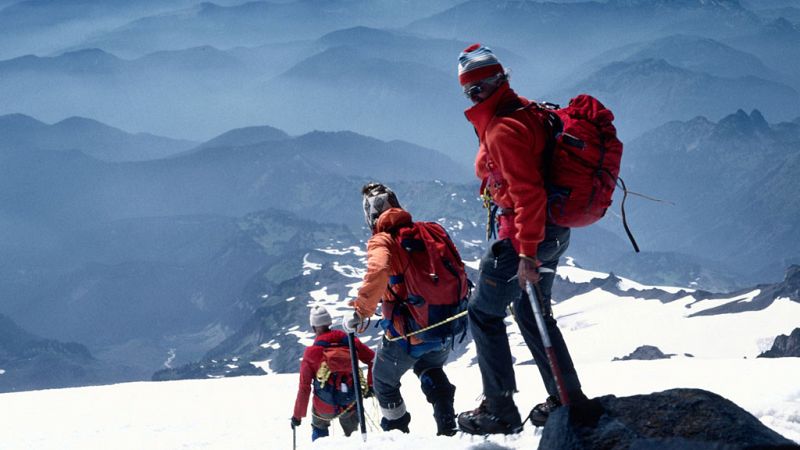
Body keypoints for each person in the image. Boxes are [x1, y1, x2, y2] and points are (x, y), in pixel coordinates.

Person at [454, 44, 588, 435]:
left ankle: (499, 409)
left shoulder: (502, 129)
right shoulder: (526, 109)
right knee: (532, 314)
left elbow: (528, 194)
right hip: (553, 230)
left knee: (483, 312)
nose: (474, 96)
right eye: (469, 91)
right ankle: (566, 397)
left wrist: (525, 254)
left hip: (524, 237)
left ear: (498, 81)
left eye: (478, 88)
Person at [343, 182, 462, 436]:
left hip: (408, 333)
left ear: (370, 216)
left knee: (384, 380)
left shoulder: (382, 241)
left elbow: (379, 271)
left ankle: (396, 432)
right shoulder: (428, 231)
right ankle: (447, 424)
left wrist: (360, 311)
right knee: (430, 367)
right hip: (442, 324)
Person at [291, 305, 374, 441]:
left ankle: (320, 442)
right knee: (352, 438)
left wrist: (297, 416)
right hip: (351, 402)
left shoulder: (312, 353)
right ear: (329, 323)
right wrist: (370, 386)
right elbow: (373, 360)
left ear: (313, 327)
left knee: (319, 426)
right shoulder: (352, 342)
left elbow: (304, 388)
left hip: (324, 406)